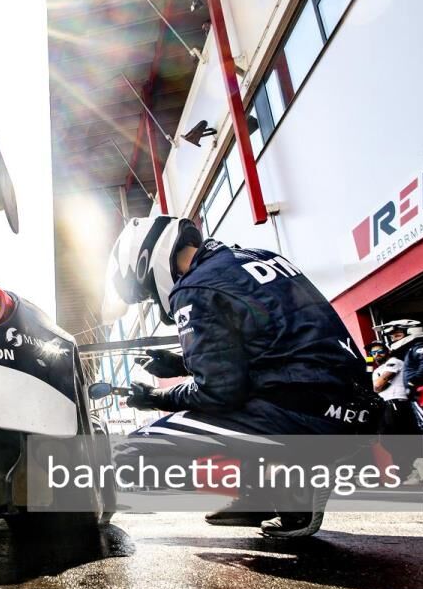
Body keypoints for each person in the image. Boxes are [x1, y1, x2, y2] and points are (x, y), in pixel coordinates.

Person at [102, 216, 376, 538]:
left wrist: (156, 398)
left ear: (148, 264)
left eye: (147, 293)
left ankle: (296, 479)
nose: (153, 298)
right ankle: (271, 495)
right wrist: (181, 364)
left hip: (303, 414)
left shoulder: (193, 287)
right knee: (240, 413)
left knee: (133, 448)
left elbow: (219, 391)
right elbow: (271, 346)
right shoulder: (258, 257)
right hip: (355, 408)